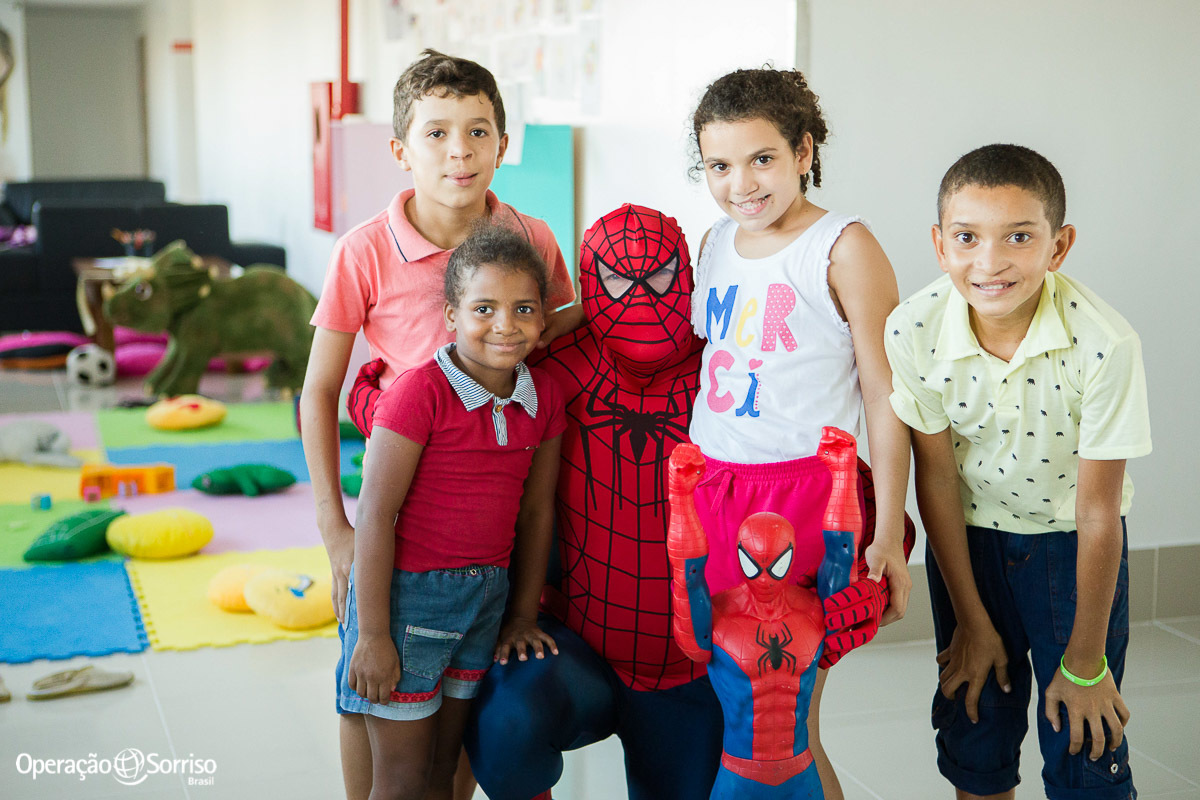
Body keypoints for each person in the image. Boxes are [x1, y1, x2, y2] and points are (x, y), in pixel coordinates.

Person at [299, 48, 574, 799]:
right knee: (375, 699)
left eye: (478, 131)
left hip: (487, 529)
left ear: (502, 143)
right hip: (397, 524)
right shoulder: (362, 251)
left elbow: (555, 362)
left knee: (458, 708)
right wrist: (336, 532)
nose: (460, 151)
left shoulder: (535, 241)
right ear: (401, 150)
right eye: (437, 133)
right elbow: (320, 390)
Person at [885, 143, 1151, 800]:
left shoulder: (1105, 343)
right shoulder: (913, 328)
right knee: (976, 721)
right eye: (967, 237)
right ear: (940, 244)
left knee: (1083, 741)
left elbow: (1097, 513)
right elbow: (939, 480)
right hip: (969, 544)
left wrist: (1086, 664)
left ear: (1058, 248)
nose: (990, 261)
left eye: (1019, 237)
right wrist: (972, 621)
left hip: (1072, 549)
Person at [687, 67, 915, 798]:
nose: (740, 184)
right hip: (717, 494)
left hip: (804, 502)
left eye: (762, 159)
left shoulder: (842, 246)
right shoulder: (715, 242)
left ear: (804, 151)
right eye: (719, 165)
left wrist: (885, 536)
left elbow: (886, 395)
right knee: (740, 718)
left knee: (790, 727)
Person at [336, 225, 565, 800]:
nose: (505, 325)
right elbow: (375, 516)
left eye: (524, 309)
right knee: (401, 780)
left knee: (444, 772)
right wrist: (372, 636)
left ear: (543, 321)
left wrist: (519, 615)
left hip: (484, 605)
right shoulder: (418, 394)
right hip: (406, 603)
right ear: (450, 315)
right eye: (483, 308)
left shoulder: (545, 398)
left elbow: (537, 512)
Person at [667, 429, 886, 799]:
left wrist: (844, 473)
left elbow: (841, 554)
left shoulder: (814, 614)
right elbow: (687, 576)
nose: (766, 577)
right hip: (739, 774)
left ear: (793, 554)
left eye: (776, 564)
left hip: (799, 771)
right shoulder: (719, 623)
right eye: (756, 565)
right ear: (740, 558)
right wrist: (681, 498)